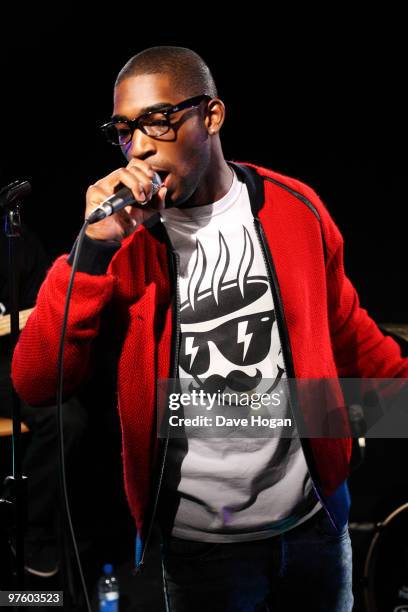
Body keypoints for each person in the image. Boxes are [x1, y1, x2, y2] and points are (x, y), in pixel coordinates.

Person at [11, 46, 408, 611]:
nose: (140, 146)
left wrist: (401, 404)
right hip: (200, 548)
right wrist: (89, 254)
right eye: (124, 131)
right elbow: (35, 383)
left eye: (159, 120)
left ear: (212, 116)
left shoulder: (295, 208)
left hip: (314, 524)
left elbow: (348, 334)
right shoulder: (125, 245)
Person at [0, 226, 88, 578]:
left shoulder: (16, 239)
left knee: (67, 417)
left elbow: (41, 308)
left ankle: (26, 523)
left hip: (9, 358)